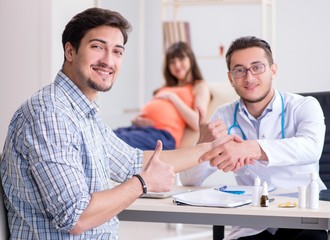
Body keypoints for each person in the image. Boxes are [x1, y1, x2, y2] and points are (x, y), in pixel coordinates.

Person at [0, 8, 230, 239]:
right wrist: (142, 183)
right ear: (70, 51)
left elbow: (133, 162)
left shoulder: (82, 112)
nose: (109, 61)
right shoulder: (50, 113)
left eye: (117, 51)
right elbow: (76, 217)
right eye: (97, 47)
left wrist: (207, 150)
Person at [180, 36, 328, 240]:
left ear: (273, 70)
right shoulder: (223, 115)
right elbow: (189, 180)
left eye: (257, 67)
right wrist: (202, 147)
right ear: (231, 78)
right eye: (239, 70)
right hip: (253, 221)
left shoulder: (304, 106)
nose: (249, 78)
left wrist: (251, 148)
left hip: (301, 215)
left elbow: (311, 148)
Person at [114, 41, 210, 150]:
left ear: (191, 60)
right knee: (104, 136)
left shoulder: (198, 86)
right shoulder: (165, 87)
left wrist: (172, 98)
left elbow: (198, 123)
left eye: (181, 59)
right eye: (172, 62)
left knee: (114, 142)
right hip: (139, 130)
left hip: (162, 136)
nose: (177, 65)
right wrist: (136, 120)